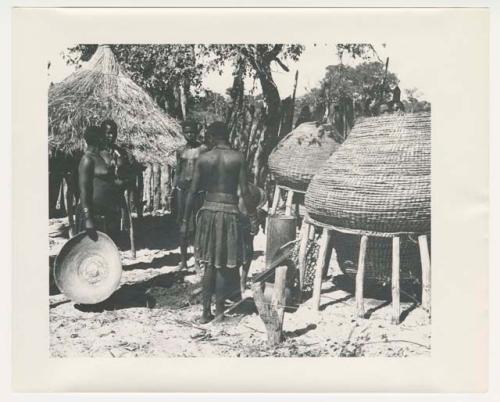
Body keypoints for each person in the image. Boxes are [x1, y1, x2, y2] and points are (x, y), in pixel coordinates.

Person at [181, 121, 259, 323]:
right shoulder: (238, 158)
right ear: (227, 136)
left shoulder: (204, 159)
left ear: (212, 137)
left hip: (208, 212)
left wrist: (185, 220)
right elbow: (245, 191)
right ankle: (220, 312)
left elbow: (192, 192)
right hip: (230, 212)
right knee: (223, 264)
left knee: (209, 264)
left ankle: (205, 312)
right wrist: (252, 217)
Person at [76, 126, 123, 242]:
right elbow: (84, 191)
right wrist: (88, 219)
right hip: (92, 215)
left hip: (106, 215)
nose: (106, 139)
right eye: (103, 137)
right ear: (97, 139)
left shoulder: (100, 158)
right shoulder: (87, 160)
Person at [172, 120, 208, 270]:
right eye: (187, 132)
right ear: (183, 133)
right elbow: (178, 171)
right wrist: (173, 189)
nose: (190, 135)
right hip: (182, 190)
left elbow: (207, 171)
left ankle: (198, 260)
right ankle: (183, 261)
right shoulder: (180, 151)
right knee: (183, 223)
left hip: (198, 191)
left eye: (192, 132)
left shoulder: (204, 149)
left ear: (197, 132)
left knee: (198, 224)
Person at [238, 183, 267, 296]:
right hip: (237, 219)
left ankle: (242, 283)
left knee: (248, 250)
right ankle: (239, 283)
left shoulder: (256, 192)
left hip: (247, 220)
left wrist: (256, 221)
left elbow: (261, 210)